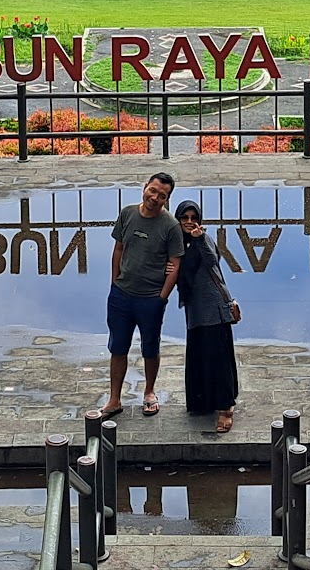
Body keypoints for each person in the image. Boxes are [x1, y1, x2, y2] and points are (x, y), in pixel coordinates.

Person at [101, 171, 182, 418]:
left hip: (150, 299)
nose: (155, 198)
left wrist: (162, 297)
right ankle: (114, 399)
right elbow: (118, 249)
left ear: (167, 199)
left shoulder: (171, 226)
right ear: (145, 187)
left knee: (150, 347)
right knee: (118, 347)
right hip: (121, 295)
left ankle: (149, 392)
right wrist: (115, 283)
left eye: (162, 195)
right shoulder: (127, 213)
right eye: (153, 191)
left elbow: (175, 264)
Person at [175, 198, 240, 433]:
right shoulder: (178, 243)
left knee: (218, 358)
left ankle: (225, 408)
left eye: (194, 218)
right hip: (195, 310)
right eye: (185, 218)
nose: (190, 222)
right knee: (200, 355)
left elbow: (213, 262)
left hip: (213, 306)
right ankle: (202, 401)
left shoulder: (204, 238)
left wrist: (199, 238)